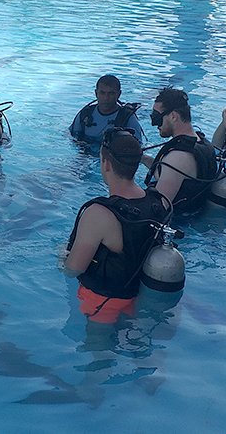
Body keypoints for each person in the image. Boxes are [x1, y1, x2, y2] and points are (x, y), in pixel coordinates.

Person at [64, 128, 171, 324]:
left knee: (98, 352)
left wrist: (61, 257)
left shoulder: (99, 213)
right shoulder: (157, 202)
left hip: (102, 306)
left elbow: (73, 269)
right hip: (140, 299)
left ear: (105, 164)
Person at [141, 87, 217, 214]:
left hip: (178, 222)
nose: (155, 124)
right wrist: (142, 158)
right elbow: (170, 176)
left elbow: (157, 210)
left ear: (173, 116)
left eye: (157, 117)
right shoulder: (201, 142)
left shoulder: (177, 158)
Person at [70, 74, 144, 144]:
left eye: (111, 93)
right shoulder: (85, 114)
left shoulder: (127, 118)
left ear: (119, 94)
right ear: (96, 93)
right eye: (102, 93)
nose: (106, 98)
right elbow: (71, 136)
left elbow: (137, 145)